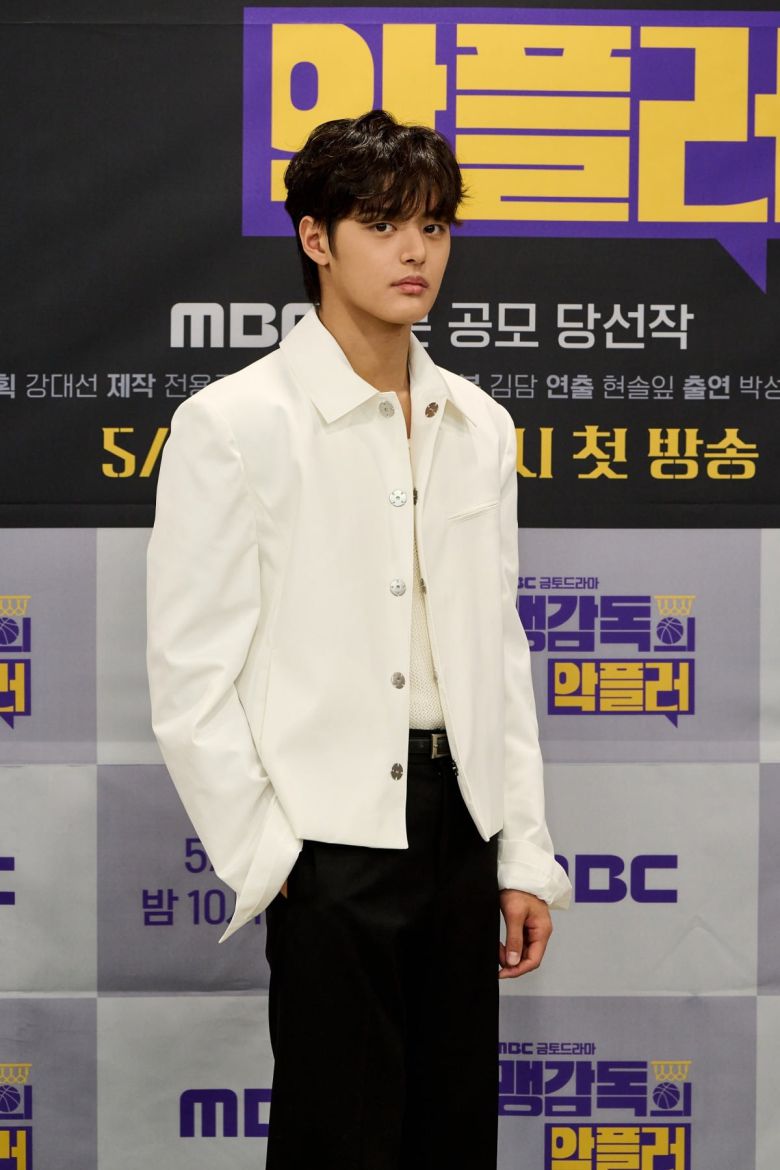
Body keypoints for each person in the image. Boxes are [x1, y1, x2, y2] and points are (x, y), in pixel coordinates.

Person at [146, 109, 571, 1169]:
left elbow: (497, 654)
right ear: (316, 238)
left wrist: (522, 850)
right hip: (328, 839)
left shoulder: (479, 423)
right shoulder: (235, 423)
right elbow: (190, 674)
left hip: (463, 826)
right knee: (338, 1137)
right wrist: (275, 856)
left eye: (433, 225)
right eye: (381, 225)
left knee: (452, 1133)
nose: (415, 251)